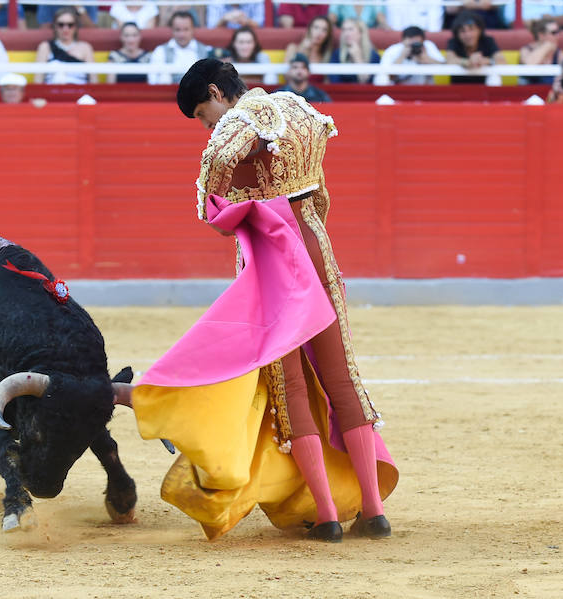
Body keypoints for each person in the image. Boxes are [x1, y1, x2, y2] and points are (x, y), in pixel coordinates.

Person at [118, 58, 397, 543]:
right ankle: (373, 512)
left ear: (216, 93)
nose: (207, 125)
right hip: (316, 242)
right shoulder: (298, 107)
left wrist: (229, 206)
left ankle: (328, 517)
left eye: (204, 114)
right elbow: (321, 194)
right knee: (343, 380)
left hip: (273, 259)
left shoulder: (239, 122)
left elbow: (211, 192)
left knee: (291, 390)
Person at [148, 10, 213, 85]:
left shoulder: (206, 51)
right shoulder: (160, 51)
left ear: (193, 30)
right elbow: (153, 80)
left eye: (186, 29)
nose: (182, 34)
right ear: (172, 30)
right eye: (178, 30)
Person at [34, 8, 97, 85]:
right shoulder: (45, 47)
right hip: (51, 93)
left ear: (76, 27)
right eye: (61, 25)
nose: (65, 28)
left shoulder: (85, 48)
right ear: (55, 26)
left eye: (70, 25)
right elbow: (38, 80)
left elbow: (94, 81)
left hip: (80, 93)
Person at [445, 10, 505, 84]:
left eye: (471, 29)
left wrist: (486, 61)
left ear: (479, 30)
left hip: (484, 90)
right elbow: (449, 60)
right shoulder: (454, 42)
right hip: (458, 88)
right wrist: (467, 62)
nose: (468, 35)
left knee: (495, 77)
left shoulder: (487, 41)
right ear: (457, 34)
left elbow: (502, 61)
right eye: (463, 31)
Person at [374, 25, 446, 86]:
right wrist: (402, 57)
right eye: (410, 44)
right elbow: (385, 75)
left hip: (423, 89)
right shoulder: (394, 50)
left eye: (416, 44)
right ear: (403, 40)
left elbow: (444, 66)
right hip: (398, 89)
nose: (413, 47)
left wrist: (426, 59)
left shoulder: (427, 46)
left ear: (423, 41)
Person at [284, 15, 334, 85]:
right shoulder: (292, 48)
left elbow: (328, 83)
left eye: (324, 30)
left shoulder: (327, 55)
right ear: (309, 29)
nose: (319, 33)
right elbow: (287, 77)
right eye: (316, 27)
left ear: (327, 35)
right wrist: (303, 50)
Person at [328, 18, 381, 84]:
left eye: (350, 29)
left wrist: (357, 58)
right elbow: (334, 81)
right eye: (344, 30)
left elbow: (368, 83)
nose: (346, 33)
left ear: (361, 33)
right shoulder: (337, 54)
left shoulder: (373, 56)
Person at [519, 17, 563, 86]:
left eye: (558, 32)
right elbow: (529, 65)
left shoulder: (558, 52)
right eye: (554, 33)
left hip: (550, 94)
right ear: (541, 35)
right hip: (527, 93)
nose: (558, 36)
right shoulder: (526, 50)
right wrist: (546, 46)